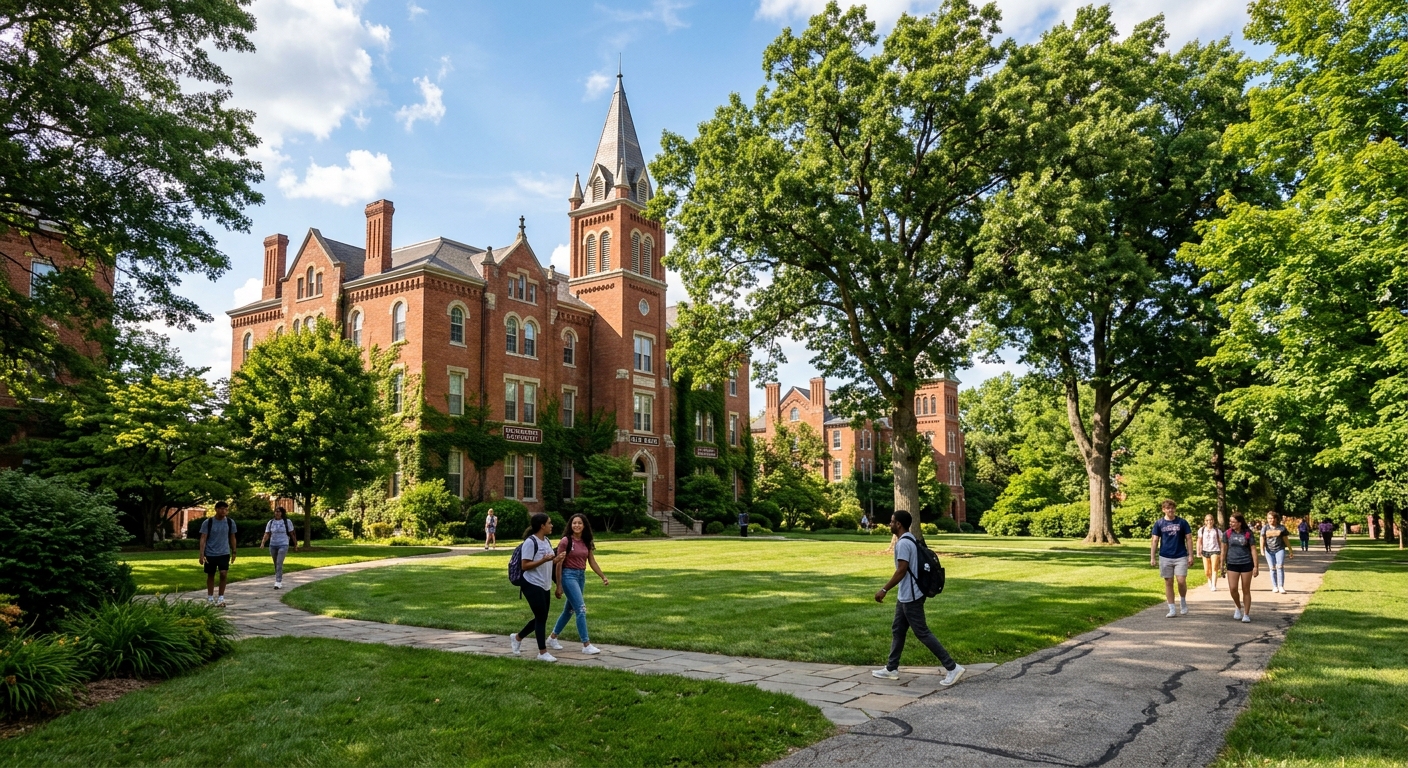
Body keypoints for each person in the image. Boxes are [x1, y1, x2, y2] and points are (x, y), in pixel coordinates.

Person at [872, 510, 965, 686]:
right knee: (898, 629)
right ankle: (891, 668)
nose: (890, 524)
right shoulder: (909, 539)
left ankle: (952, 668)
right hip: (906, 595)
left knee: (922, 632)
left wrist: (884, 589)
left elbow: (902, 570)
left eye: (892, 522)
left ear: (898, 524)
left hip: (912, 595)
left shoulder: (903, 544)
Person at [547, 513, 609, 655]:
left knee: (569, 610)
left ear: (584, 525)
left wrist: (602, 576)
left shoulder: (586, 541)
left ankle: (552, 638)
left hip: (581, 576)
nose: (576, 525)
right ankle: (586, 644)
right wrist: (559, 585)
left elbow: (591, 561)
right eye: (574, 523)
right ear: (570, 525)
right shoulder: (565, 541)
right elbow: (558, 564)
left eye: (579, 523)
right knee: (580, 609)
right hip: (568, 576)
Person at [509, 513, 564, 662]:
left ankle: (517, 637)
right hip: (531, 584)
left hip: (544, 584)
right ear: (542, 526)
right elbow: (525, 565)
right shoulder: (530, 542)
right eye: (549, 523)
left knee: (542, 617)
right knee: (541, 618)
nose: (551, 525)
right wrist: (543, 559)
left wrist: (555, 559)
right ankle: (542, 652)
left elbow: (547, 563)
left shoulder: (546, 540)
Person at [1150, 499, 1195, 617]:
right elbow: (1155, 540)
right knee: (1168, 582)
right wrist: (1152, 557)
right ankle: (1172, 609)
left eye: (1172, 508)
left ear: (1175, 509)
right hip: (1165, 556)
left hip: (1180, 555)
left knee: (1181, 581)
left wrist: (1191, 555)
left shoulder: (1182, 522)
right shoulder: (1159, 523)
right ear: (1163, 510)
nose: (1170, 510)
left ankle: (1183, 601)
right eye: (1168, 508)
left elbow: (1189, 538)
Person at [198, 501, 238, 606]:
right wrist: (201, 554)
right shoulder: (208, 522)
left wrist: (234, 551)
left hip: (224, 552)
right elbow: (203, 538)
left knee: (223, 574)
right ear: (216, 509)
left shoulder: (230, 522)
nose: (223, 511)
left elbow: (232, 537)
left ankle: (221, 597)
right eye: (221, 509)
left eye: (225, 509)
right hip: (210, 553)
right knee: (211, 575)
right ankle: (210, 598)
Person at [1222, 513, 1258, 622]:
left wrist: (1256, 566)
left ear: (1240, 523)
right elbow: (1223, 550)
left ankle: (1246, 614)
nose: (1231, 524)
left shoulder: (1248, 533)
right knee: (1233, 589)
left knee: (1246, 589)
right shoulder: (1227, 534)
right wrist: (1221, 565)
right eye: (1230, 522)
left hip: (1246, 563)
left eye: (1233, 522)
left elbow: (1253, 550)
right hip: (1232, 563)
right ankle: (1238, 606)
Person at [259, 507, 298, 590]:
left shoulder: (287, 522)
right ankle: (278, 577)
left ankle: (278, 582)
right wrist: (263, 543)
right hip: (273, 545)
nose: (277, 513)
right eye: (276, 512)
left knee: (279, 562)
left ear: (282, 513)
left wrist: (295, 544)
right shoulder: (271, 522)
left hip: (283, 544)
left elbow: (292, 533)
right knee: (276, 563)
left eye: (279, 512)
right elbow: (267, 533)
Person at [1260, 511, 1292, 594]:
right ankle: (1274, 586)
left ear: (1276, 519)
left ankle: (1281, 586)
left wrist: (1290, 549)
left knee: (1280, 566)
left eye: (1273, 518)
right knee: (1272, 568)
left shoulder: (1281, 528)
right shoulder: (1265, 528)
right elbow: (1262, 538)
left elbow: (1285, 539)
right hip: (1269, 550)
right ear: (1267, 519)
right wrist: (1261, 549)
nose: (1271, 520)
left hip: (1280, 549)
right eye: (1269, 518)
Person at [1197, 514, 1222, 593]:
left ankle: (1214, 585)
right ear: (1205, 521)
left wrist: (1222, 552)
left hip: (1215, 550)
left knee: (1214, 568)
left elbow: (1221, 542)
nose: (1209, 521)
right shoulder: (1201, 530)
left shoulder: (1217, 531)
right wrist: (1198, 551)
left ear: (1213, 521)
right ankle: (1209, 579)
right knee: (1207, 571)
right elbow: (1199, 541)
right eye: (1207, 520)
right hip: (1205, 551)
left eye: (1211, 520)